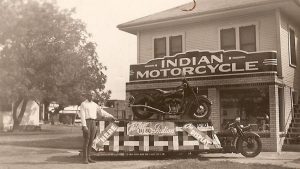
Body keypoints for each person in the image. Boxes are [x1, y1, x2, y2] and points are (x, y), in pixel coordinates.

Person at [80, 90, 115, 164]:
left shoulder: (95, 105)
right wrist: (84, 125)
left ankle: (89, 157)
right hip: (87, 122)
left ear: (94, 96)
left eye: (92, 95)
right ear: (87, 96)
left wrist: (111, 116)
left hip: (93, 122)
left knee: (91, 141)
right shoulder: (83, 104)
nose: (91, 96)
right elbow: (82, 116)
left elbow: (102, 112)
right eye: (89, 95)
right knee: (86, 141)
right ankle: (84, 158)